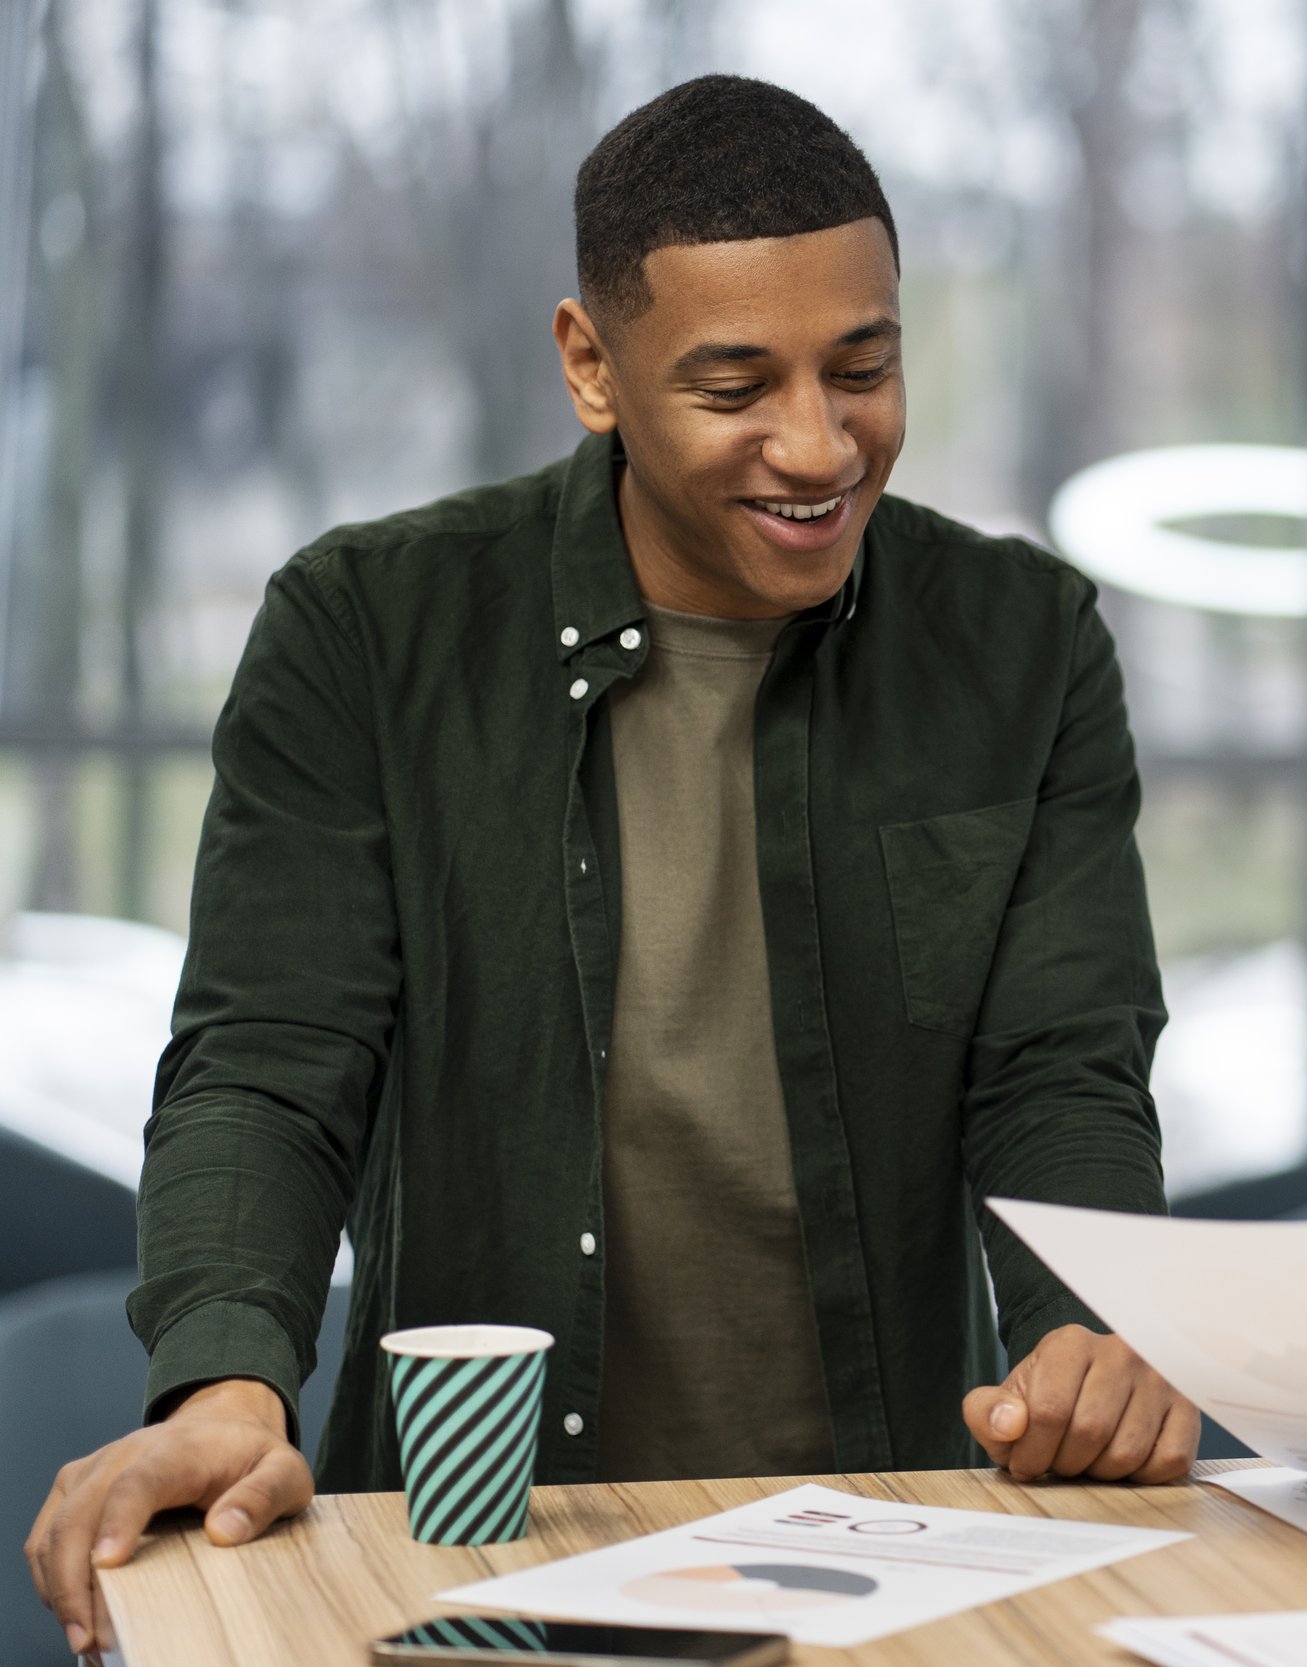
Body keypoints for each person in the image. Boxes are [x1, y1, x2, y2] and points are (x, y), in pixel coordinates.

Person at [26, 75, 1196, 1657]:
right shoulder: (367, 631)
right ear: (592, 365)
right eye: (737, 385)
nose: (818, 442)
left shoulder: (1023, 644)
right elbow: (268, 1065)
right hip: (469, 1567)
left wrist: (1094, 1338)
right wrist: (233, 1380)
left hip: (891, 1562)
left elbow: (1061, 1068)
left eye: (864, 366)